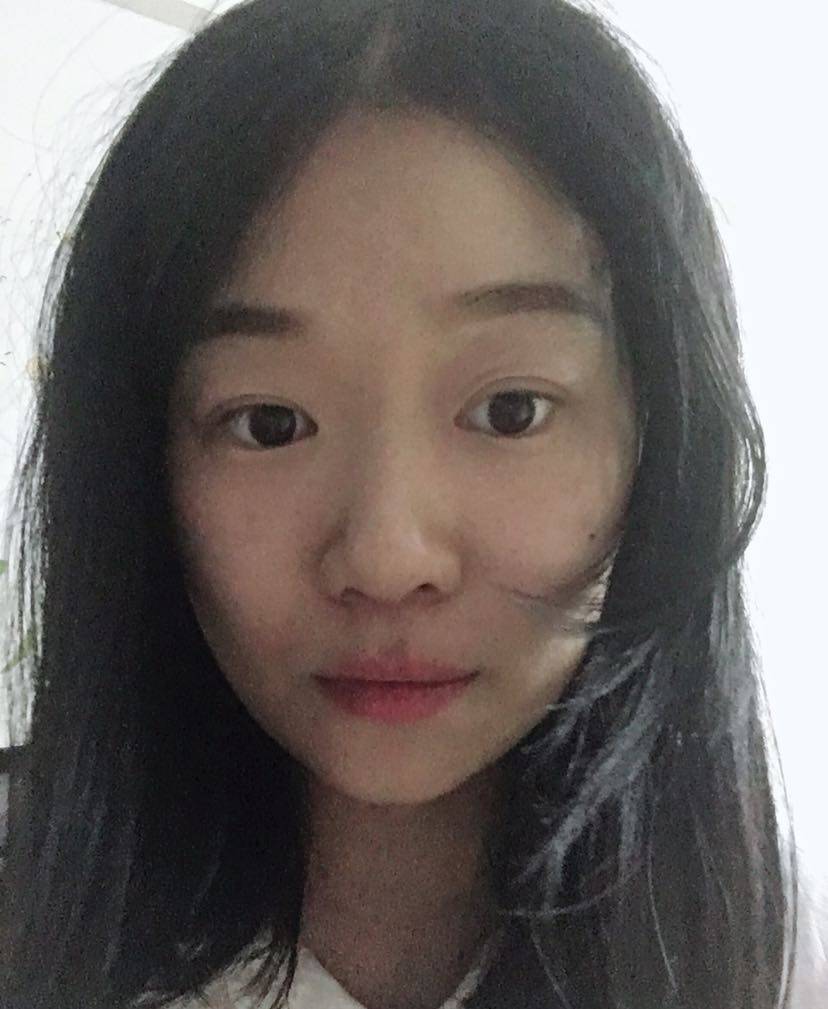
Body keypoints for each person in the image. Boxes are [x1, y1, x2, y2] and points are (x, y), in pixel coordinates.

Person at [0, 0, 805, 1006]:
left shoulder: (769, 957)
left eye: (511, 411)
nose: (387, 557)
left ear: (661, 438)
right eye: (269, 423)